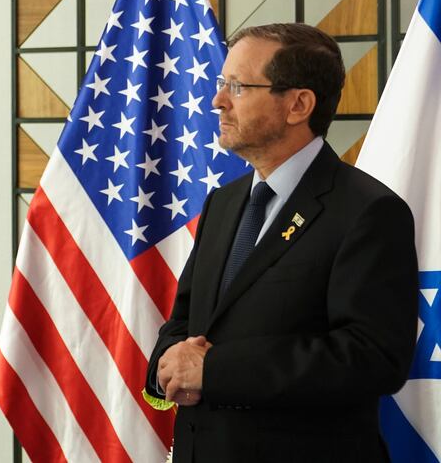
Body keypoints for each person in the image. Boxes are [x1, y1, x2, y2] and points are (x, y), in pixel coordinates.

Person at [144, 23, 418, 463]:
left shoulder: (368, 211)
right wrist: (167, 367)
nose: (218, 100)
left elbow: (372, 357)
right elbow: (186, 321)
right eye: (221, 83)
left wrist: (215, 371)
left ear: (298, 105)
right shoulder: (223, 203)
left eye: (237, 86)